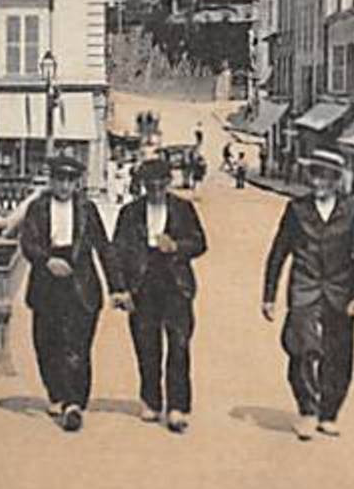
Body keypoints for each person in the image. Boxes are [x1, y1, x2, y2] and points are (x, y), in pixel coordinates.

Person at [261, 149, 354, 441]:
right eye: (314, 175)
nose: (318, 182)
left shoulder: (352, 210)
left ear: (336, 180)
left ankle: (329, 413)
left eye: (325, 177)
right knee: (300, 349)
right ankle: (308, 410)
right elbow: (278, 252)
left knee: (339, 355)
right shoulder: (296, 209)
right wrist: (269, 296)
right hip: (304, 289)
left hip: (340, 291)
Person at [16, 153, 116, 432]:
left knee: (77, 345)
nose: (63, 186)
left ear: (77, 183)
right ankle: (57, 394)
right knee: (47, 342)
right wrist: (46, 260)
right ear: (51, 180)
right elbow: (27, 242)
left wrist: (117, 287)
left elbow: (104, 248)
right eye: (59, 179)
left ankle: (74, 403)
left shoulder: (88, 209)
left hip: (81, 282)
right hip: (47, 282)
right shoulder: (38, 208)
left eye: (70, 180)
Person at [108, 158, 209, 433]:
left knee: (179, 345)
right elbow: (116, 251)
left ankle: (177, 406)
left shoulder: (183, 208)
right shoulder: (130, 213)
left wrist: (176, 246)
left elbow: (200, 243)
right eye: (149, 187)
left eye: (159, 186)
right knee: (147, 345)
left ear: (168, 183)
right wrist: (119, 288)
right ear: (142, 186)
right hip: (142, 284)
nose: (154, 191)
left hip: (176, 284)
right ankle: (151, 400)